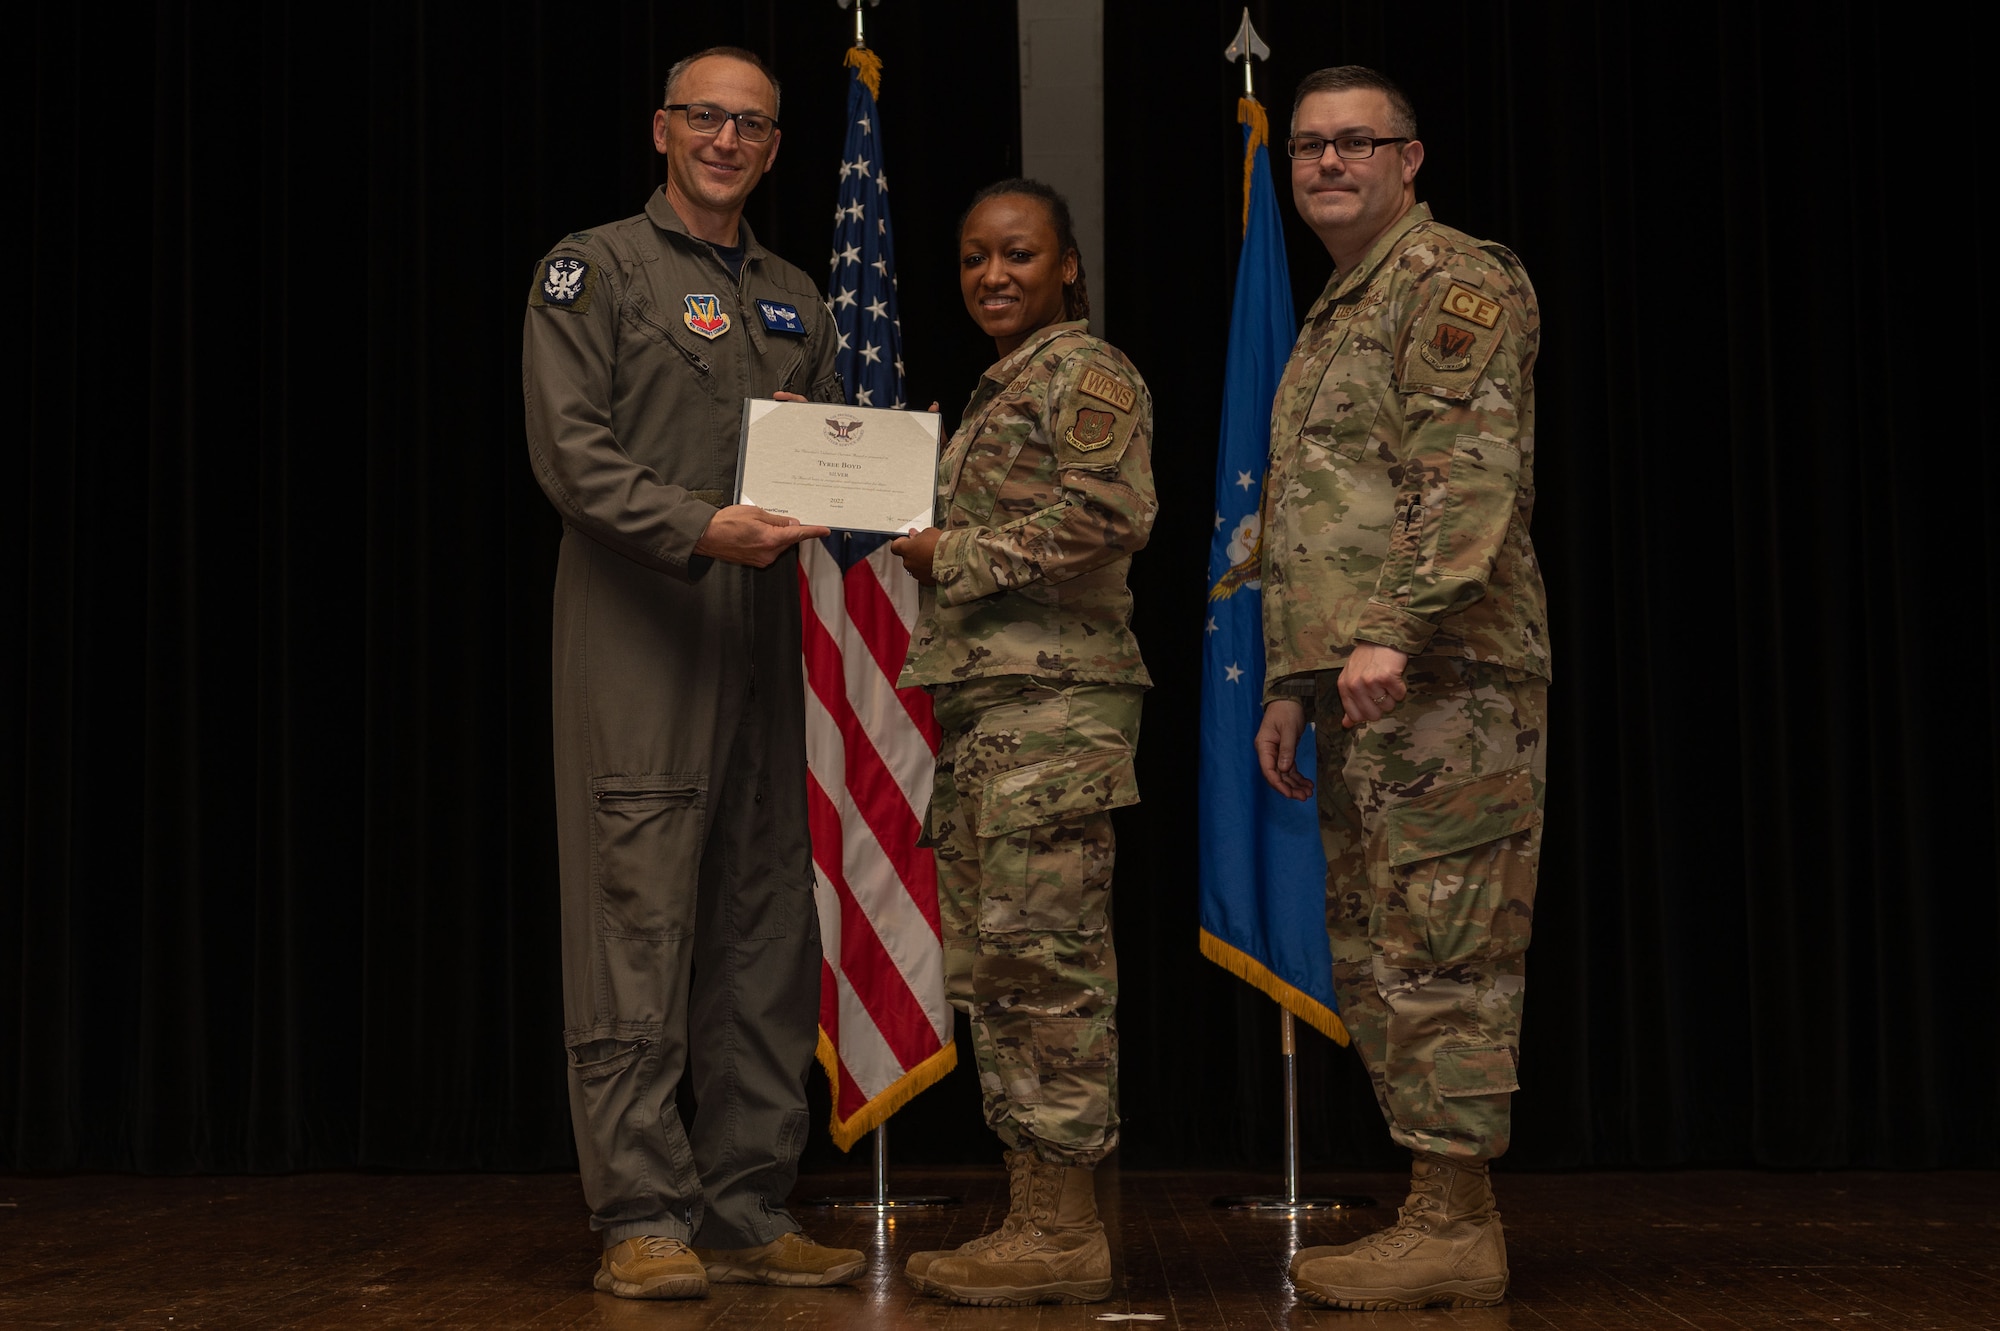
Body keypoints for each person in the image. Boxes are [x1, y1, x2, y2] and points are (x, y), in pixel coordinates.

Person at [520, 46, 865, 1301]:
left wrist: (872, 491)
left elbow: (833, 449)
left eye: (753, 125)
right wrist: (697, 526)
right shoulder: (592, 266)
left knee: (764, 923)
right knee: (638, 921)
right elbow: (569, 455)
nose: (727, 139)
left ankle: (743, 1202)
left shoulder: (795, 296)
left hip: (766, 640)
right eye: (706, 117)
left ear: (773, 149)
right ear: (661, 128)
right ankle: (642, 1214)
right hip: (642, 631)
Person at [1253, 66, 1551, 1311]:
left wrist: (1389, 631)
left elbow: (1463, 479)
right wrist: (1291, 678)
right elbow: (1314, 518)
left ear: (1408, 159)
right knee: (1380, 950)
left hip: (1445, 682)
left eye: (1354, 143)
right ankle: (1437, 1210)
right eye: (1310, 147)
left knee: (1445, 947)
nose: (1325, 163)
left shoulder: (1451, 280)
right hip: (1358, 688)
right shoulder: (1337, 310)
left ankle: (1453, 1221)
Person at [888, 179, 1156, 1307]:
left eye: (1017, 254)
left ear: (1066, 268)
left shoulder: (1084, 371)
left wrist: (955, 553)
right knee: (1000, 966)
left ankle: (1061, 1227)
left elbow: (1110, 512)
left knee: (1044, 972)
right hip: (996, 713)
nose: (992, 275)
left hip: (1053, 714)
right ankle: (1036, 1209)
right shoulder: (1003, 387)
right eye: (972, 259)